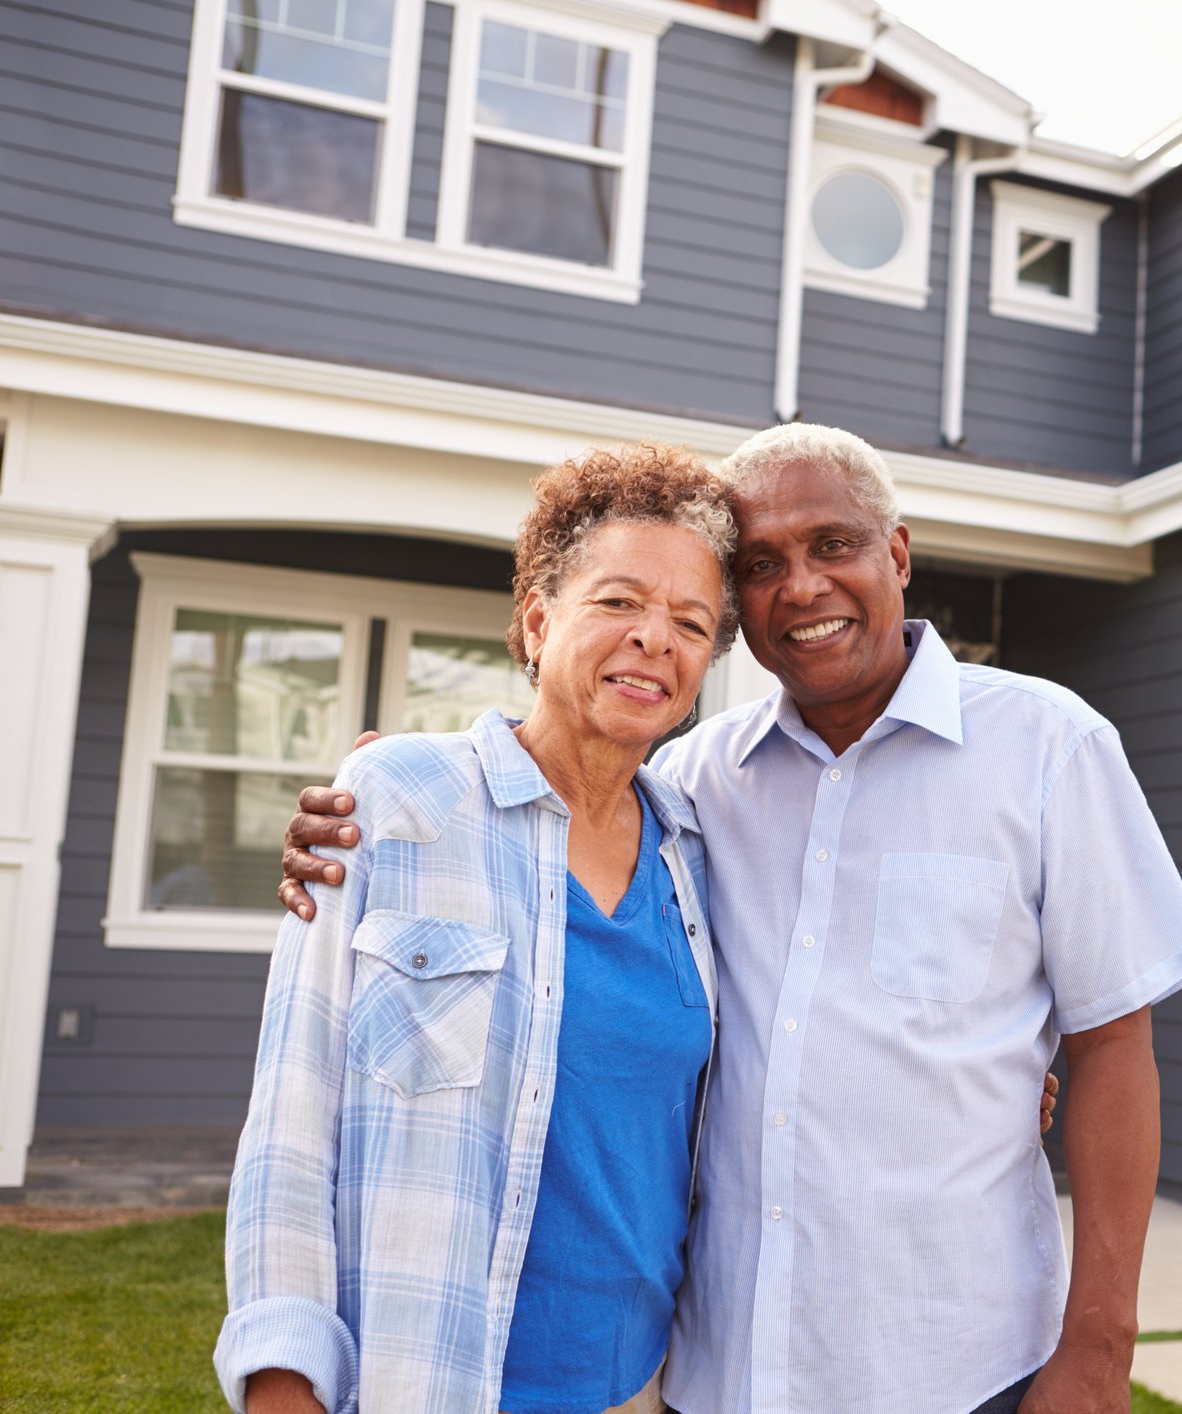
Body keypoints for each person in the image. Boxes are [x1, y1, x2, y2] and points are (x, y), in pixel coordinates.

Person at [283, 423, 1182, 1414]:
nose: (801, 587)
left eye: (833, 545)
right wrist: (387, 812)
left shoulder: (1048, 748)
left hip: (955, 1365)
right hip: (716, 1369)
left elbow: (1115, 1043)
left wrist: (1101, 1345)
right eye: (763, 565)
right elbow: (552, 792)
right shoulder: (693, 783)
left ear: (896, 555)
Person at [223, 444, 737, 1414]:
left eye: (691, 622)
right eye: (619, 602)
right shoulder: (391, 804)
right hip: (430, 1382)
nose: (654, 640)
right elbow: (291, 1127)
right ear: (538, 622)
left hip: (642, 1390)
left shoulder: (702, 859)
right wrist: (283, 1387)